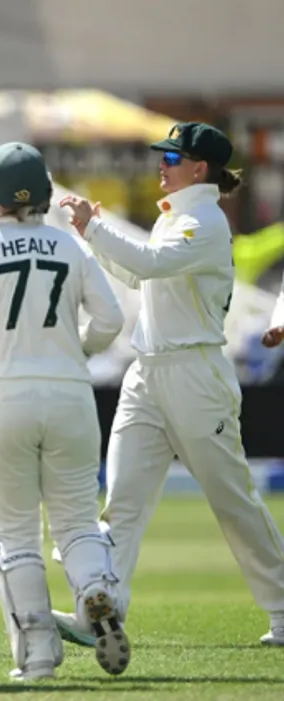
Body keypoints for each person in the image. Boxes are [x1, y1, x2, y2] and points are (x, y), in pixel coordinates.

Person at [60, 122, 284, 648]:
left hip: (195, 375)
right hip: (148, 372)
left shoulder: (204, 221)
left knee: (232, 501)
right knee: (122, 500)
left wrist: (94, 228)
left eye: (171, 157)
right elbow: (141, 276)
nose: (161, 164)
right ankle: (103, 612)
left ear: (199, 168)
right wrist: (89, 233)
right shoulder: (178, 216)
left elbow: (151, 263)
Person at [0, 142, 128, 681]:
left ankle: (38, 656)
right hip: (69, 394)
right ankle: (96, 588)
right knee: (77, 521)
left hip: (2, 394)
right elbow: (109, 320)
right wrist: (75, 348)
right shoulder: (71, 247)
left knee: (13, 532)